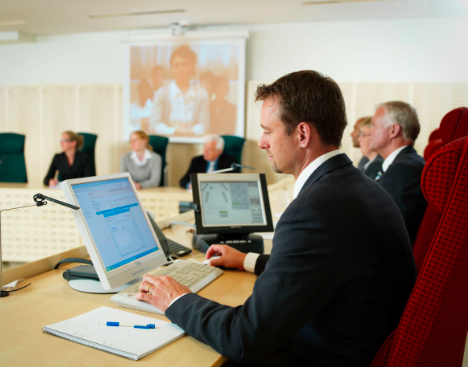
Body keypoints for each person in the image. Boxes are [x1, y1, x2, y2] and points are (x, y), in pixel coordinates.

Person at [137, 71, 416, 367]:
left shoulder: (313, 209)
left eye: (268, 131)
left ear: (302, 134)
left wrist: (176, 300)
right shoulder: (360, 186)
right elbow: (324, 265)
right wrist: (246, 260)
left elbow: (244, 337)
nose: (261, 143)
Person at [369, 101, 427, 245]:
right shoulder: (406, 163)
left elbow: (383, 230)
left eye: (374, 124)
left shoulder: (403, 170)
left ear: (393, 131)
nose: (369, 131)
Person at [149, 45, 210, 136]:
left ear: (192, 67)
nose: (181, 69)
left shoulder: (201, 94)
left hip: (194, 142)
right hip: (168, 142)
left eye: (185, 64)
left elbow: (205, 125)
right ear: (172, 69)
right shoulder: (161, 93)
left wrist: (191, 131)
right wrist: (174, 131)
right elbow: (154, 124)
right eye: (176, 66)